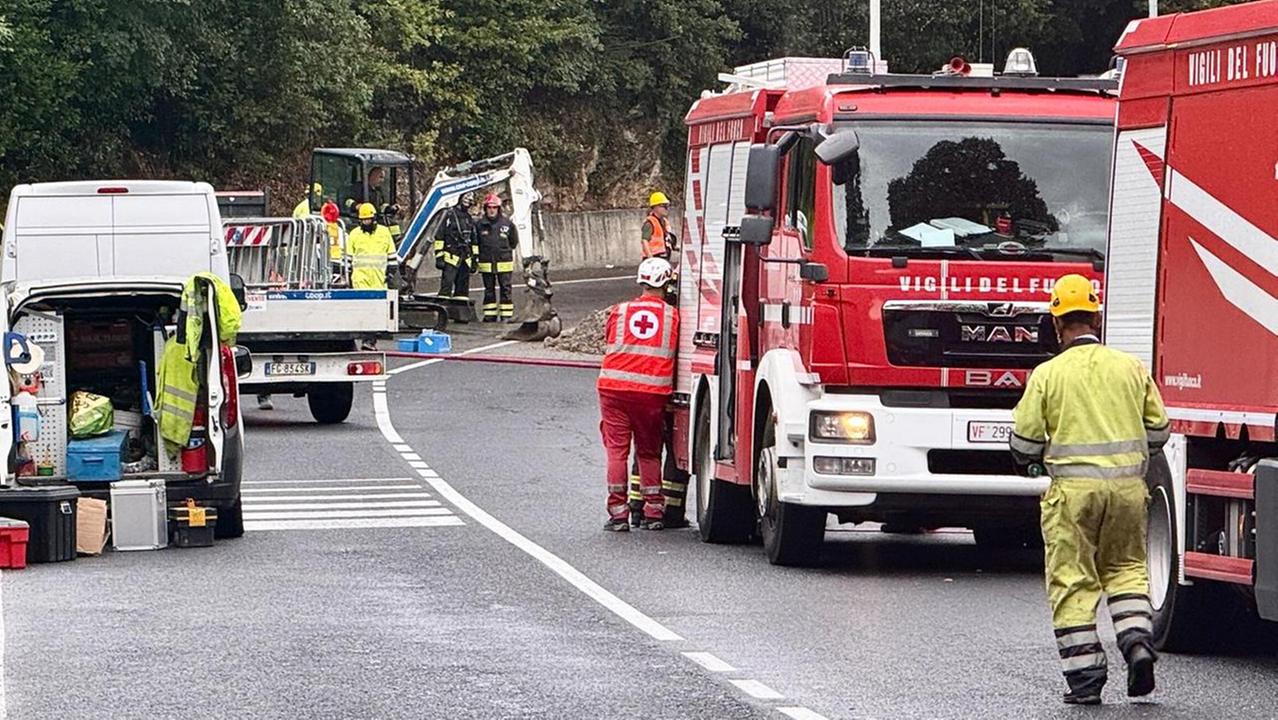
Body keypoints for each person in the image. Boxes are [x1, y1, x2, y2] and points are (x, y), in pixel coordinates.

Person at [1010, 273, 1169, 706]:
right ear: (1097, 317)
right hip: (1128, 491)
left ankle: (1085, 681)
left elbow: (1025, 442)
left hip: (1073, 496)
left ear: (1056, 323)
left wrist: (1030, 459)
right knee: (1126, 569)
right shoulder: (1130, 367)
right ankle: (1137, 642)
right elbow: (1159, 431)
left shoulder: (1047, 375)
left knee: (1073, 580)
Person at [598, 258, 679, 532]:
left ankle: (618, 514)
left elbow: (609, 340)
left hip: (613, 390)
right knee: (649, 451)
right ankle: (654, 512)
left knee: (616, 452)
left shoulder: (619, 311)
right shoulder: (672, 316)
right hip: (651, 394)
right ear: (667, 284)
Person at [474, 193, 518, 322]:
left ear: (498, 209)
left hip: (504, 263)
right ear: (485, 209)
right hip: (486, 263)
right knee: (489, 290)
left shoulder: (507, 224)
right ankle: (490, 315)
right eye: (489, 207)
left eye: (494, 207)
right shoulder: (479, 225)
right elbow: (475, 243)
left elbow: (513, 242)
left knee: (505, 289)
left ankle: (506, 315)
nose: (492, 210)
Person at [434, 193, 477, 303]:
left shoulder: (468, 218)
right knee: (446, 288)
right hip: (450, 258)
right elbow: (439, 236)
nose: (468, 200)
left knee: (462, 292)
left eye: (470, 198)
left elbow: (474, 240)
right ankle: (442, 308)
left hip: (465, 259)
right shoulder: (448, 215)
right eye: (466, 197)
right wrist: (439, 256)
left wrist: (475, 259)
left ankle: (460, 310)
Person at [346, 203, 396, 290]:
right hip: (360, 279)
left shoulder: (384, 232)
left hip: (380, 279)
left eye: (368, 220)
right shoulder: (354, 234)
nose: (366, 222)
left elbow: (391, 254)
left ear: (374, 219)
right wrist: (348, 275)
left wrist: (391, 272)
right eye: (364, 220)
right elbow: (348, 257)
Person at [641, 191, 677, 260]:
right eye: (664, 206)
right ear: (655, 207)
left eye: (667, 206)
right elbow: (644, 241)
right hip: (654, 258)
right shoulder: (650, 223)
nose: (666, 208)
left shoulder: (664, 222)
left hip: (663, 258)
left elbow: (665, 239)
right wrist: (651, 258)